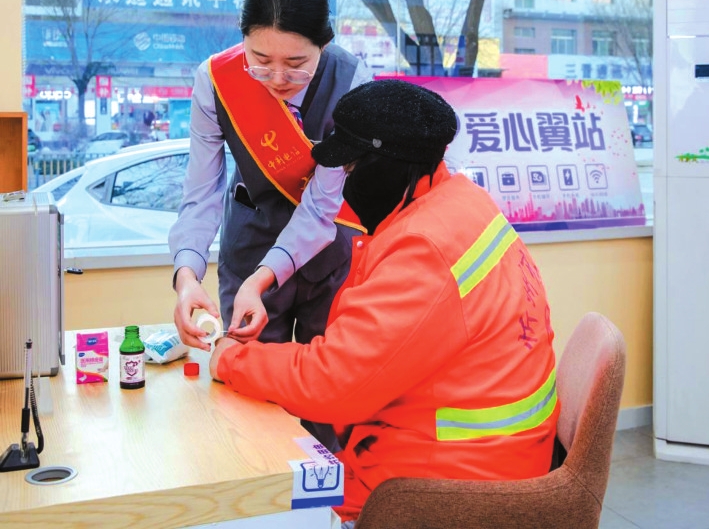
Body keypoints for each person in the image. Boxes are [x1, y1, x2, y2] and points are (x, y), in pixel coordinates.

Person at [209, 79, 560, 526]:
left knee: (253, 506)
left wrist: (232, 359)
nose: (344, 182)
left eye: (351, 168)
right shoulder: (459, 203)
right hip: (492, 457)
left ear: (386, 167)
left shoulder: (424, 248)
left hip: (443, 487)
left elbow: (332, 383)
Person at [168, 0, 371, 448]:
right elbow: (201, 193)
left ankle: (327, 494)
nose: (278, 77)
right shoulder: (216, 81)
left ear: (324, 44)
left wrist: (264, 279)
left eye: (297, 63)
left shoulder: (352, 80)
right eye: (260, 59)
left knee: (328, 396)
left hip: (329, 248)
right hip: (250, 240)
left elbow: (321, 208)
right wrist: (187, 277)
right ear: (242, 39)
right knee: (250, 396)